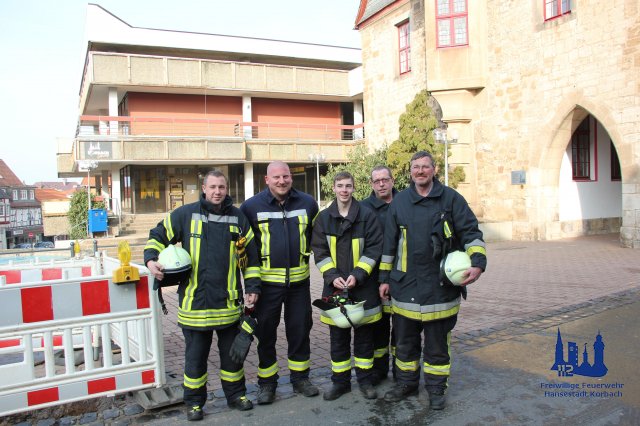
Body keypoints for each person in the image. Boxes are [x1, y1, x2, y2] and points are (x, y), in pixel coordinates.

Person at [144, 170, 261, 421]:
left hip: (229, 304)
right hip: (195, 306)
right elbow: (158, 235)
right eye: (213, 187)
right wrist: (151, 260)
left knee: (232, 359)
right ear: (204, 189)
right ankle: (195, 403)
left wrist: (253, 287)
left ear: (227, 189)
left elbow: (251, 258)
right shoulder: (186, 214)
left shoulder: (238, 218)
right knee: (195, 361)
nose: (217, 192)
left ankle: (236, 396)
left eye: (222, 187)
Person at [379, 151, 487, 410]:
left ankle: (436, 389)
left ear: (434, 169)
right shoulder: (400, 202)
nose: (420, 171)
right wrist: (384, 279)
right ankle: (406, 384)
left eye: (425, 167)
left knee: (438, 346)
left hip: (440, 288)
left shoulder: (451, 199)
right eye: (415, 167)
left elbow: (471, 232)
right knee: (405, 344)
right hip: (405, 286)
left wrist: (478, 262)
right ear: (410, 171)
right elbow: (389, 245)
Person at [240, 161, 320, 404]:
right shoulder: (250, 207)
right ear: (267, 180)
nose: (282, 181)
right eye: (276, 177)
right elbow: (247, 251)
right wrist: (251, 286)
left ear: (291, 178)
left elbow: (317, 239)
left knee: (300, 331)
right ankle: (267, 384)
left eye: (285, 176)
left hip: (299, 284)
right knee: (266, 335)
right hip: (266, 286)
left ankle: (300, 378)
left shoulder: (308, 203)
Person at [311, 171, 383, 401]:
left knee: (365, 340)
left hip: (363, 286)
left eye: (348, 186)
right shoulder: (323, 218)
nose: (344, 190)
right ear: (333, 188)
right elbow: (319, 251)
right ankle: (340, 383)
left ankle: (365, 382)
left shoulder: (367, 216)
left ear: (354, 188)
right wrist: (332, 276)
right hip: (335, 288)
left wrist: (358, 274)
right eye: (340, 185)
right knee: (338, 340)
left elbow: (374, 249)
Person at [360, 165, 398, 384]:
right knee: (379, 327)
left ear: (393, 180)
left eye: (385, 180)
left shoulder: (405, 203)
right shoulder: (363, 208)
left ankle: (402, 371)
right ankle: (379, 370)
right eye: (377, 181)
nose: (381, 184)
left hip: (402, 276)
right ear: (371, 184)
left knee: (402, 328)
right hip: (373, 277)